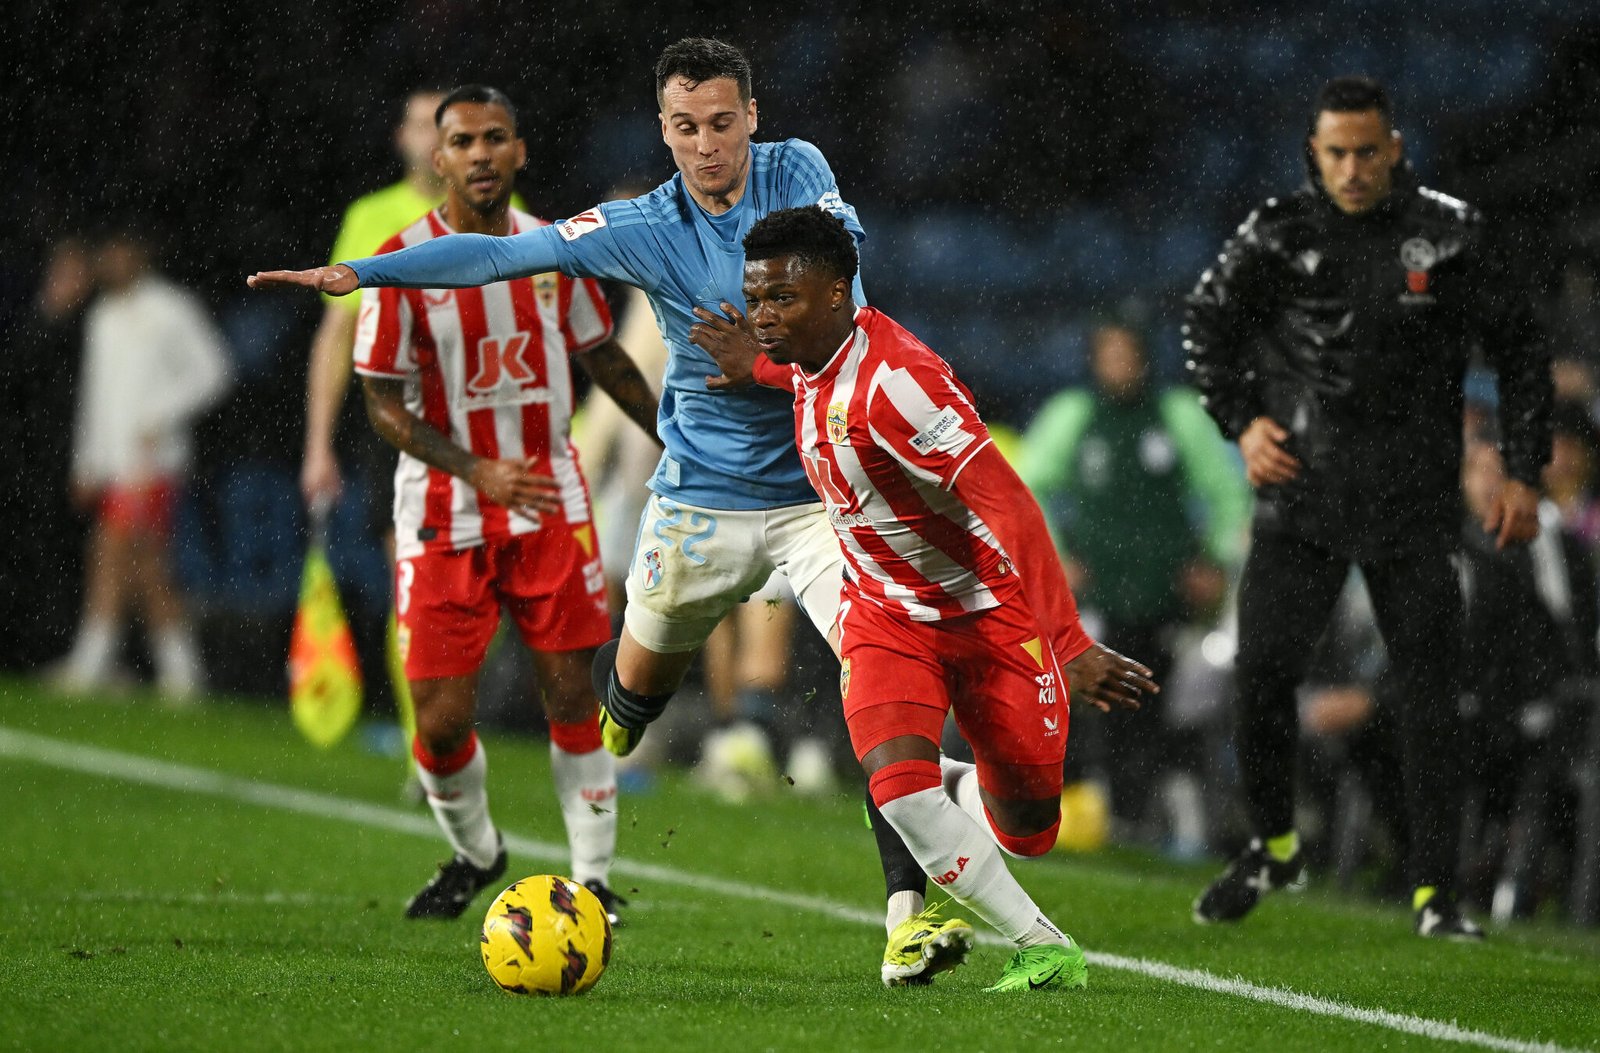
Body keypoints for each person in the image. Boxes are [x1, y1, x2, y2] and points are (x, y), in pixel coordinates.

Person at [249, 37, 946, 985]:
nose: (708, 145)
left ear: (754, 116)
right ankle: (628, 711)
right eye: (686, 127)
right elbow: (499, 255)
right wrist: (365, 276)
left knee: (879, 680)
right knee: (626, 690)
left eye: (723, 123)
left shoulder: (802, 171)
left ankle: (907, 916)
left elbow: (839, 300)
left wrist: (766, 351)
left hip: (817, 490)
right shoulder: (636, 225)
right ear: (663, 130)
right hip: (697, 499)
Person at [699, 204, 1155, 991]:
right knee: (895, 789)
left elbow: (1010, 505)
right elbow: (803, 374)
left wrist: (1068, 641)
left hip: (987, 618)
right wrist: (758, 363)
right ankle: (1044, 946)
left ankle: (962, 783)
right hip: (884, 616)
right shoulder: (809, 358)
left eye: (782, 300)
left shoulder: (901, 384)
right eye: (757, 298)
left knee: (1029, 828)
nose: (763, 317)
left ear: (838, 294)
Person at [1183, 75, 1552, 939]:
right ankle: (1275, 842)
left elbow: (1523, 347)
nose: (1351, 168)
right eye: (1335, 152)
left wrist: (1523, 471)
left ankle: (1437, 892)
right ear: (1315, 152)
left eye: (1366, 151)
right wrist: (1242, 424)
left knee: (1432, 699)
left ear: (1394, 148)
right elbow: (1206, 320)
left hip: (1414, 503)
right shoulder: (1277, 233)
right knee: (1262, 675)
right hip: (1302, 493)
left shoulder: (1448, 235)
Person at [348, 85, 658, 921]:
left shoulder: (558, 251)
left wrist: (673, 437)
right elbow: (381, 401)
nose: (480, 154)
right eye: (462, 142)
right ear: (438, 158)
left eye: (495, 139)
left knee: (570, 696)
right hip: (446, 510)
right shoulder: (401, 257)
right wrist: (472, 466)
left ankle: (592, 880)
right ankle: (478, 852)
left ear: (519, 152)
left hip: (550, 501)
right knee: (442, 722)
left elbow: (605, 358)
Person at [1019, 323, 1249, 845]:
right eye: (1109, 352)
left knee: (1166, 710)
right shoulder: (1073, 416)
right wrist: (1056, 560)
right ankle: (1112, 809)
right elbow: (1028, 489)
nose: (1118, 363)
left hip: (1167, 598)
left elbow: (1226, 492)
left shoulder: (1179, 415)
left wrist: (1214, 558)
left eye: (1127, 352)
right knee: (1101, 708)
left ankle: (1161, 815)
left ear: (1145, 357)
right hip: (1097, 599)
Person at [57, 228, 232, 700]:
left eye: (118, 251)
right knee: (143, 567)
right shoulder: (102, 315)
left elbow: (214, 371)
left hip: (155, 461)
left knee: (115, 556)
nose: (111, 260)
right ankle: (180, 674)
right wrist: (87, 463)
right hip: (115, 465)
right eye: (105, 252)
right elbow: (95, 399)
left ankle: (93, 663)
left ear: (139, 253)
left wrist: (161, 412)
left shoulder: (171, 308)